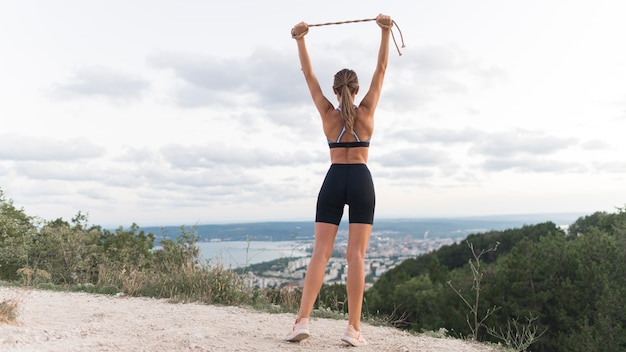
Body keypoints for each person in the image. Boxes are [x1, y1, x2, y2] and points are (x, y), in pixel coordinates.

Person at [285, 14, 392, 347]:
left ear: (335, 90)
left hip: (334, 179)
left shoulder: (328, 114)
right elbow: (382, 70)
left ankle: (301, 322)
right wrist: (385, 32)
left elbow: (309, 75)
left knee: (320, 253)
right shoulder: (367, 110)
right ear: (356, 90)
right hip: (361, 179)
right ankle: (353, 329)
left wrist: (300, 39)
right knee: (356, 256)